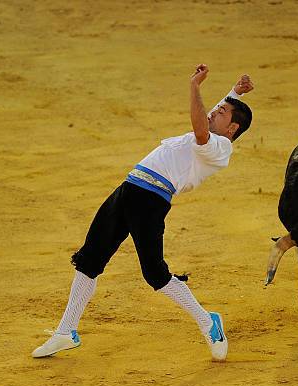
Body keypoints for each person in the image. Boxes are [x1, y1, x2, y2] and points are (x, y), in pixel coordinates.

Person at [32, 64, 253, 361]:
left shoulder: (219, 148)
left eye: (221, 111)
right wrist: (234, 93)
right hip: (128, 189)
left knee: (155, 274)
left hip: (151, 201)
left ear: (232, 129)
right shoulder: (218, 129)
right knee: (89, 258)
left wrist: (194, 87)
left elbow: (203, 124)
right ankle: (66, 331)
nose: (214, 111)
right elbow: (214, 116)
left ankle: (207, 321)